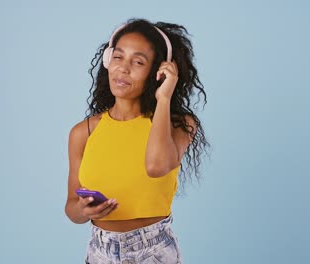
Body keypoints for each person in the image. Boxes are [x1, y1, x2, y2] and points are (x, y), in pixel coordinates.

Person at [65, 18, 208, 264]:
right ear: (108, 61)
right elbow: (71, 209)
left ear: (158, 72)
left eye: (138, 62)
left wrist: (164, 98)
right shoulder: (83, 132)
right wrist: (83, 210)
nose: (123, 68)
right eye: (118, 57)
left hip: (153, 251)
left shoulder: (179, 124)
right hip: (100, 251)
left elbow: (156, 166)